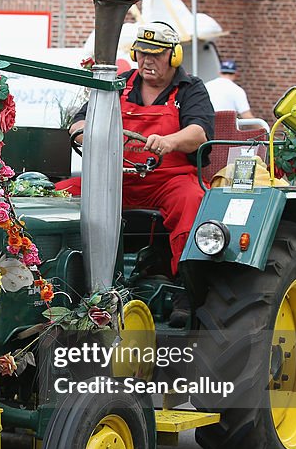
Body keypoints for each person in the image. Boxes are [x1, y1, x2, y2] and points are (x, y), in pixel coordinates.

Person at [65, 22, 214, 327]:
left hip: (168, 181)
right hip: (116, 179)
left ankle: (187, 292)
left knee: (193, 201)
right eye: (142, 53)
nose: (147, 61)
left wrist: (169, 142)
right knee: (61, 194)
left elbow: (200, 133)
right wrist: (84, 133)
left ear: (174, 56)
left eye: (156, 55)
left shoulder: (190, 89)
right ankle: (68, 286)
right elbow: (80, 122)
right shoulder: (120, 83)